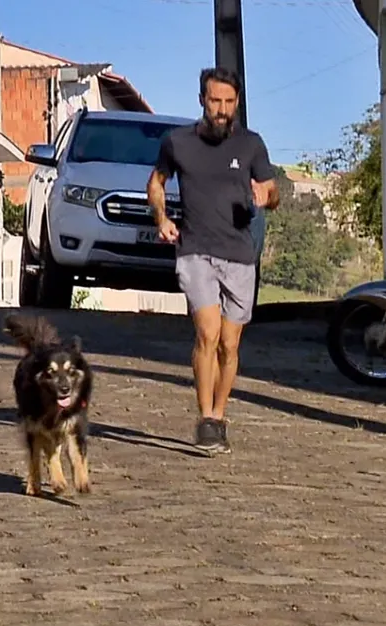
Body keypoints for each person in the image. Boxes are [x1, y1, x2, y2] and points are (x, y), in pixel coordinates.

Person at [146, 67, 280, 453]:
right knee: (207, 333)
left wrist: (264, 196)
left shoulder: (252, 145)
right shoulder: (177, 142)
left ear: (237, 103)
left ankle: (221, 414)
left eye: (229, 102)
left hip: (239, 254)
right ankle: (206, 418)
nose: (222, 109)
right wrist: (162, 218)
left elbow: (272, 191)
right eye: (215, 100)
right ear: (202, 100)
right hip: (195, 249)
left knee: (229, 345)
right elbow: (156, 182)